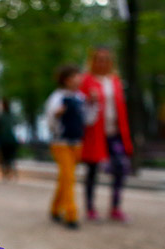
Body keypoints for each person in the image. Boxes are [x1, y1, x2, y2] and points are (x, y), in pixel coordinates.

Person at [80, 47, 134, 222]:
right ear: (93, 61)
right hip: (95, 134)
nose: (102, 62)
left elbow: (121, 108)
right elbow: (81, 106)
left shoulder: (115, 81)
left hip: (114, 132)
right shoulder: (86, 81)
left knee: (120, 167)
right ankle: (90, 207)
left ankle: (115, 207)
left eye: (106, 59)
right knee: (92, 171)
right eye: (99, 59)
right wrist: (90, 99)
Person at [45, 65, 92, 230]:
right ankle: (71, 214)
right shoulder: (57, 97)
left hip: (76, 143)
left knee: (66, 178)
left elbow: (88, 119)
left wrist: (93, 104)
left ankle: (55, 208)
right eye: (74, 76)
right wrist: (58, 114)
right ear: (66, 79)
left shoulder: (80, 98)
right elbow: (50, 121)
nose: (78, 79)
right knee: (69, 178)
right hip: (61, 143)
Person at [0, 99, 19, 180]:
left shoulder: (1, 116)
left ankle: (5, 173)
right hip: (11, 139)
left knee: (4, 158)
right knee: (11, 157)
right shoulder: (11, 115)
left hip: (4, 139)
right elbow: (15, 124)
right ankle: (12, 173)